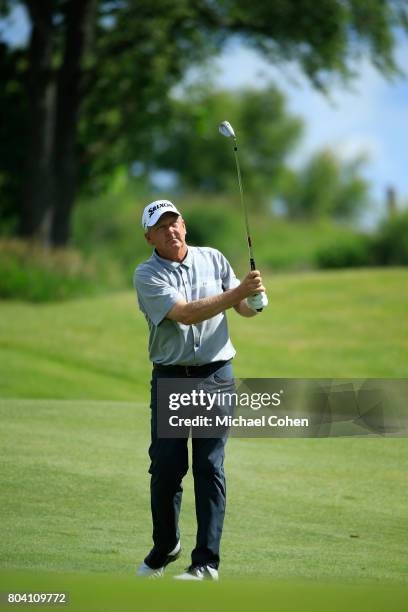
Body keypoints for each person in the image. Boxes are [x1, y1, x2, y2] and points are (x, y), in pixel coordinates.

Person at [134, 199, 267, 581]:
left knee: (209, 466)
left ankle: (206, 563)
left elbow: (238, 307)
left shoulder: (213, 258)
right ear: (149, 238)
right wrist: (238, 292)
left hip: (215, 375)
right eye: (161, 228)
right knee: (166, 468)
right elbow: (187, 313)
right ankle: (165, 547)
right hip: (172, 377)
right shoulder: (146, 275)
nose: (170, 231)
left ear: (185, 226)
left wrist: (254, 301)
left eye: (174, 223)